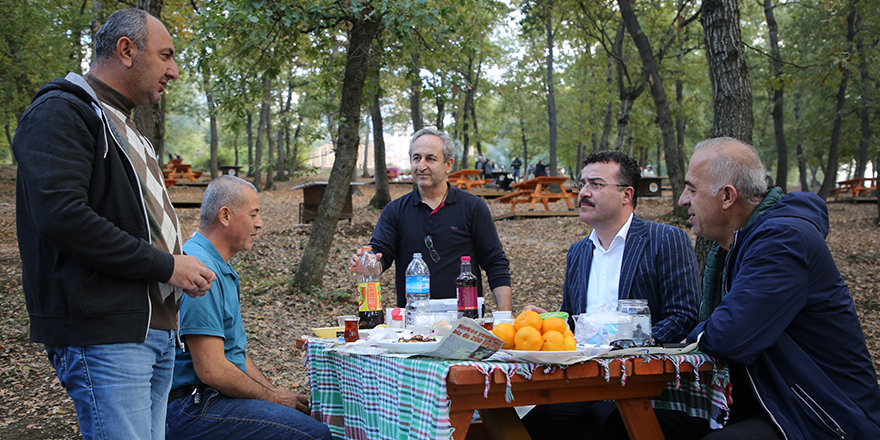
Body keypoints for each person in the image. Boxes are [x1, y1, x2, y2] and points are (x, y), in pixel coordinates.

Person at [13, 8, 216, 440]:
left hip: (155, 331)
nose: (174, 70)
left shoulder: (126, 126)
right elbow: (63, 217)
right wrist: (166, 266)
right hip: (106, 333)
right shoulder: (61, 113)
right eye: (165, 56)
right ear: (126, 50)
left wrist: (176, 270)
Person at [612, 137, 880, 439]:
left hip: (820, 414)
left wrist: (698, 332)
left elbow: (729, 337)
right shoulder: (735, 246)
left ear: (727, 196)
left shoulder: (783, 240)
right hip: (761, 398)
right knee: (617, 421)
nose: (682, 200)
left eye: (692, 189)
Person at [521, 150, 701, 440]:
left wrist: (626, 351)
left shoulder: (666, 239)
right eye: (582, 184)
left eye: (596, 184)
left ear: (626, 194)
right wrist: (549, 321)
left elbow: (684, 315)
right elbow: (574, 323)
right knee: (530, 422)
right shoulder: (578, 252)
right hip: (580, 380)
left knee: (598, 426)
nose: (583, 193)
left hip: (643, 380)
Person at [166, 176, 331, 440]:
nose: (260, 223)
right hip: (191, 407)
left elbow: (235, 356)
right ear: (225, 215)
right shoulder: (199, 268)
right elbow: (211, 368)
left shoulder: (219, 265)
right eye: (253, 214)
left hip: (212, 398)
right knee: (313, 435)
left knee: (306, 419)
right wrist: (272, 398)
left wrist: (275, 395)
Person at [349, 127, 512, 311]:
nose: (421, 166)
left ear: (448, 164)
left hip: (465, 321)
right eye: (416, 158)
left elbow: (495, 262)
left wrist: (505, 316)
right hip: (413, 324)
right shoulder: (395, 211)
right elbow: (380, 256)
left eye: (430, 159)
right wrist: (369, 266)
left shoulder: (473, 207)